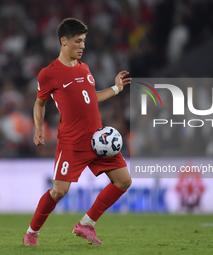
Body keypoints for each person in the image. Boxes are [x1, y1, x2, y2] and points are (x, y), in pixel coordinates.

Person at [23, 18, 132, 246]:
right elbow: (39, 103)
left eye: (84, 41)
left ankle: (86, 224)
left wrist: (115, 89)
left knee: (123, 181)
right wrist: (38, 129)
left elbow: (91, 99)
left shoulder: (85, 68)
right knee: (58, 192)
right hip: (72, 142)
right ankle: (32, 232)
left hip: (98, 139)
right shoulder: (48, 74)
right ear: (64, 41)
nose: (82, 46)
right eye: (78, 41)